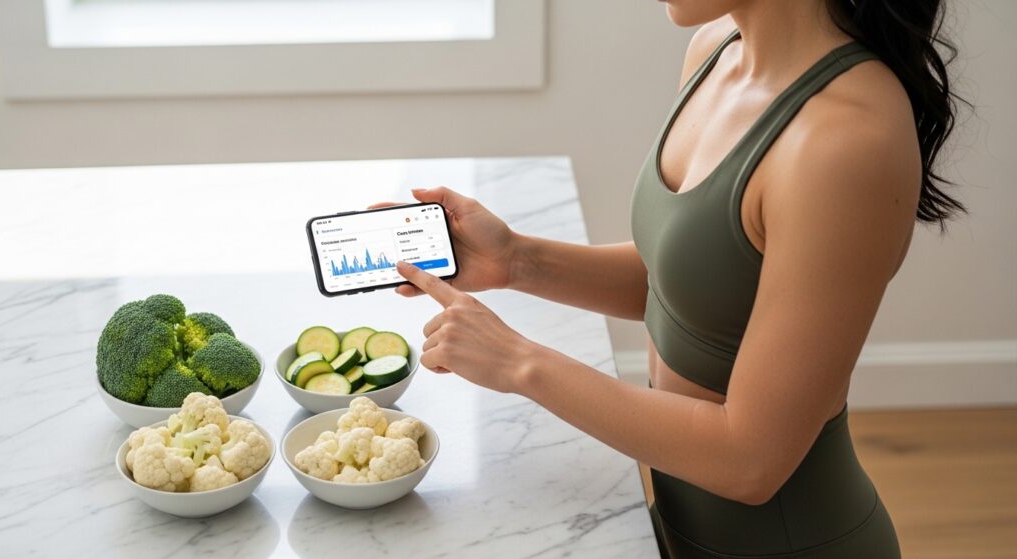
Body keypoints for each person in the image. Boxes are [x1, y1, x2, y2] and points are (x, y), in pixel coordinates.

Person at [374, 0, 965, 556]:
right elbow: (690, 288)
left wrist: (519, 363)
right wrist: (517, 261)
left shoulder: (846, 140)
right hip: (675, 529)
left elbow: (750, 461)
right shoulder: (717, 49)